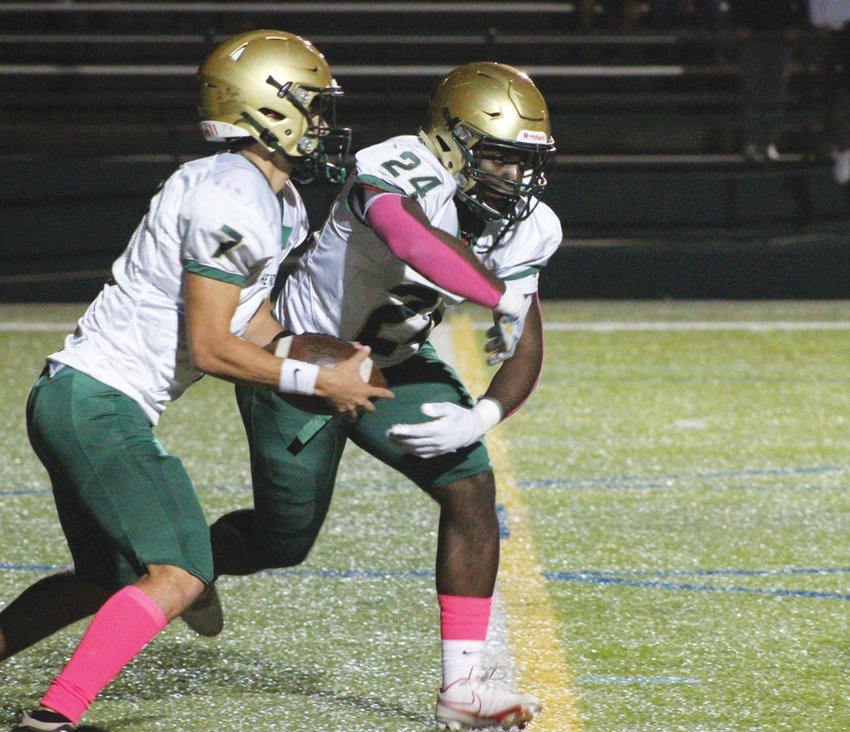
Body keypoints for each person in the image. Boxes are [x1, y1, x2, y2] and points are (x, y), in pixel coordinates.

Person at [4, 29, 391, 732]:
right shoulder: (231, 196)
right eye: (314, 105)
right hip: (96, 402)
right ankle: (54, 718)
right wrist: (314, 381)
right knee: (178, 576)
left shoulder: (271, 200)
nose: (325, 123)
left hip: (79, 398)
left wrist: (334, 352)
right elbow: (212, 348)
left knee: (102, 580)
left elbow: (255, 323)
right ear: (267, 109)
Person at [208, 61, 562, 730]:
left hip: (395, 363)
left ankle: (462, 691)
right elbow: (409, 237)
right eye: (500, 158)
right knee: (284, 542)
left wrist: (483, 414)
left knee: (470, 489)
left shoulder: (528, 224)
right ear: (452, 139)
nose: (515, 178)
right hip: (304, 360)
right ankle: (186, 565)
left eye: (525, 163)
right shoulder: (395, 165)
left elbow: (526, 341)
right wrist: (497, 294)